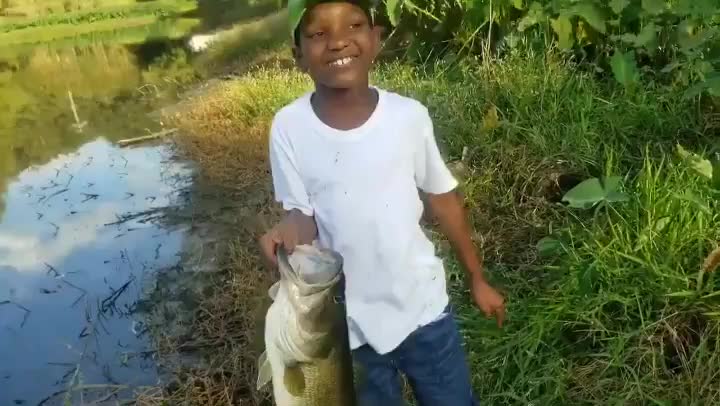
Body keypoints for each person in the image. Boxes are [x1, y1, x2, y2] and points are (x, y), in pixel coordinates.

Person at [259, 0, 506, 404]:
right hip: (347, 326)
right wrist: (288, 230)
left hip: (423, 309)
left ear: (376, 40)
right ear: (297, 56)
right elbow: (301, 215)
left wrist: (477, 279)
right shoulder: (289, 126)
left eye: (354, 25)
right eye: (318, 34)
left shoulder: (408, 117)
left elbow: (442, 199)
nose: (338, 42)